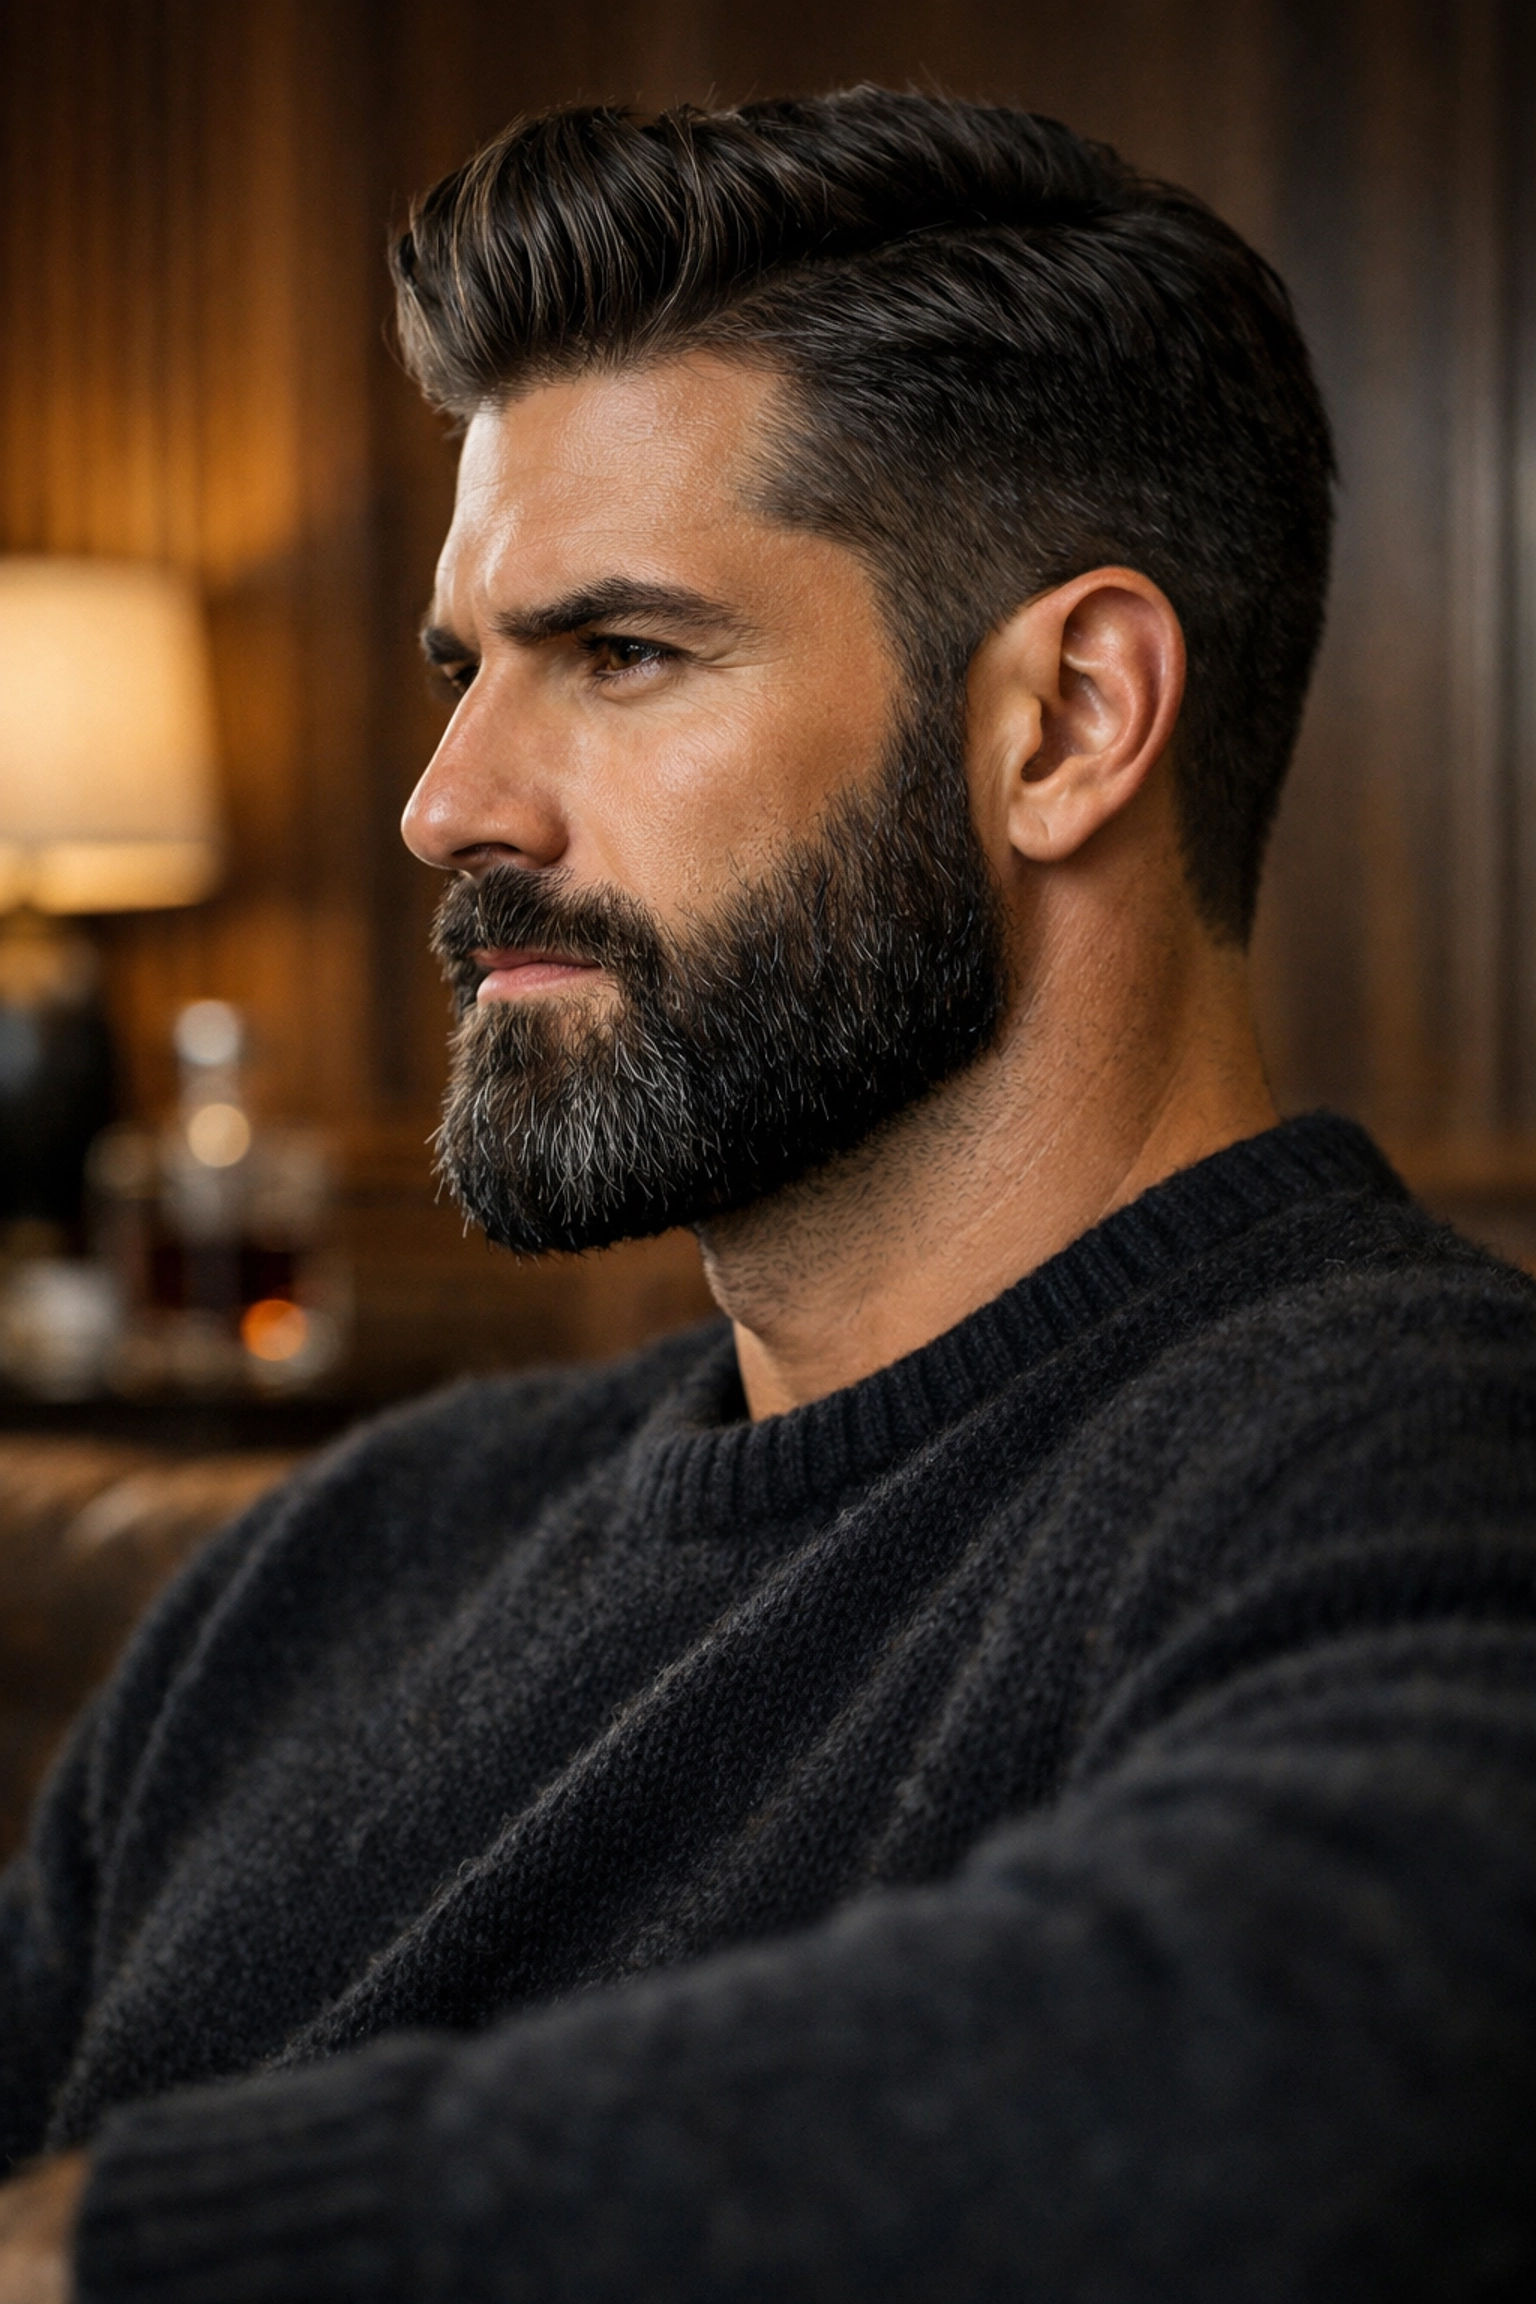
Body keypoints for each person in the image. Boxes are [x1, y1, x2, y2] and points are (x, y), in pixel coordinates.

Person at [2, 87, 1534, 2304]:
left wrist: (125, 2255)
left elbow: (1379, 2044)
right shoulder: (337, 1567)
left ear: (1069, 722)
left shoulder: (1413, 1455)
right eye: (467, 668)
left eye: (622, 655)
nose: (448, 804)